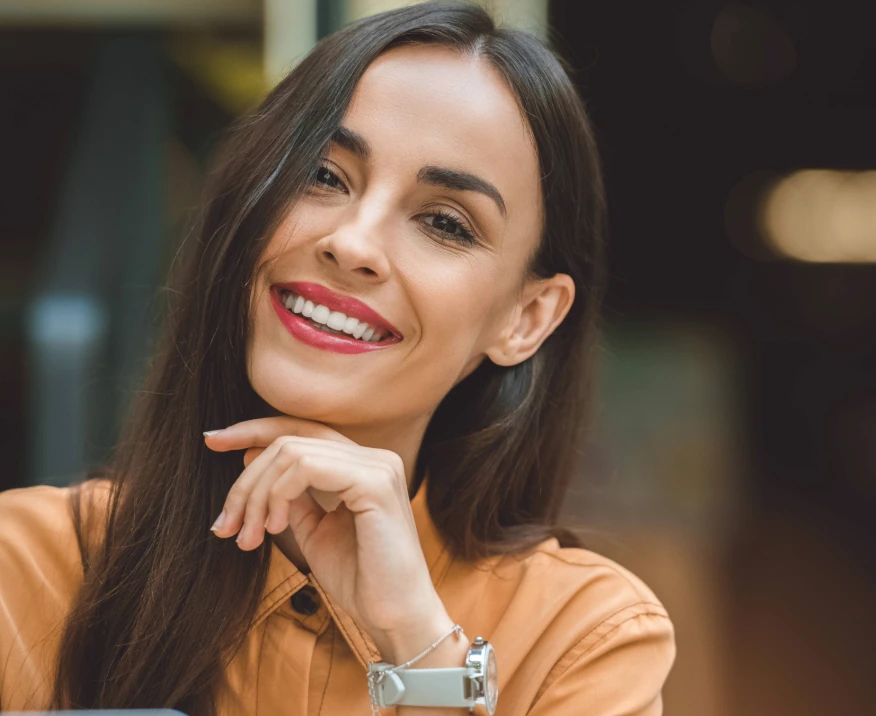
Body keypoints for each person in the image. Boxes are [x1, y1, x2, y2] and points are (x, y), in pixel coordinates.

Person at [0, 3, 674, 714]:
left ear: (525, 318)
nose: (352, 244)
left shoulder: (583, 639)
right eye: (323, 175)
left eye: (445, 223)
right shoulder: (28, 570)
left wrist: (415, 641)